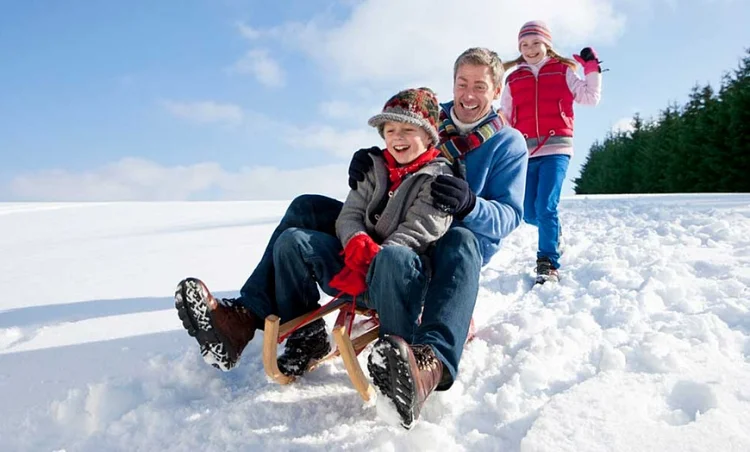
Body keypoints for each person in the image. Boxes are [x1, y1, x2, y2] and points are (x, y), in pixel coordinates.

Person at [175, 47, 528, 430]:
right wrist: (372, 158)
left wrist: (471, 205)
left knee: (462, 239)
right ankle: (248, 318)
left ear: (496, 92)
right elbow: (399, 133)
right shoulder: (428, 116)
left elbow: (509, 216)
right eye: (463, 83)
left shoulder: (508, 143)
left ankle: (430, 364)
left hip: (445, 243)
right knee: (306, 207)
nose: (469, 94)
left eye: (480, 86)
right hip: (387, 224)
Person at [499, 20, 603, 283]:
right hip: (525, 152)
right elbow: (506, 118)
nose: (530, 48)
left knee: (546, 206)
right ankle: (553, 234)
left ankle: (547, 262)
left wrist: (592, 69)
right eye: (524, 44)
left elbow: (589, 98)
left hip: (557, 147)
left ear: (547, 44)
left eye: (536, 43)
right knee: (528, 212)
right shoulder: (513, 78)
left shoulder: (562, 70)